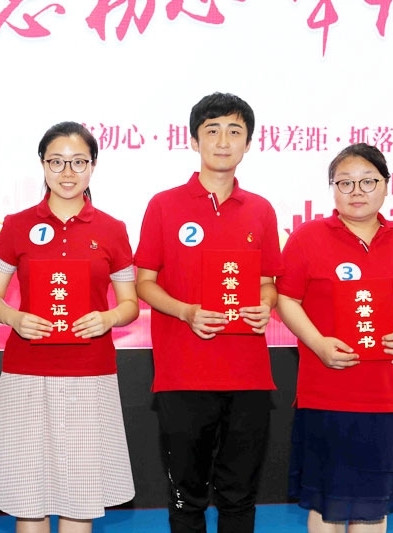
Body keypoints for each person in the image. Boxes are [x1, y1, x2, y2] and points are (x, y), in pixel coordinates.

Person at [0, 121, 138, 533]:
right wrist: (15, 318)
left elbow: (131, 304)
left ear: (93, 165)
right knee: (29, 498)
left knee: (80, 497)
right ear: (42, 165)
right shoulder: (16, 225)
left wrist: (109, 318)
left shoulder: (112, 229)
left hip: (90, 373)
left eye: (78, 162)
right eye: (56, 162)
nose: (67, 172)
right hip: (27, 372)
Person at [134, 92, 284, 533]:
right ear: (194, 140)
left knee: (240, 495)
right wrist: (185, 311)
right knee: (187, 495)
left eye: (234, 132)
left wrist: (266, 305)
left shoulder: (261, 210)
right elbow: (144, 282)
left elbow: (269, 283)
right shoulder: (164, 205)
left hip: (248, 375)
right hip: (183, 373)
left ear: (248, 144)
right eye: (212, 130)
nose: (223, 141)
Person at [275, 143, 393, 533]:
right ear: (332, 189)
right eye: (344, 183)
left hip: (389, 393)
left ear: (386, 185)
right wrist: (318, 343)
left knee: (374, 504)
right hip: (328, 390)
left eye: (368, 181)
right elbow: (286, 299)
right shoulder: (308, 237)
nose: (357, 191)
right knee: (326, 501)